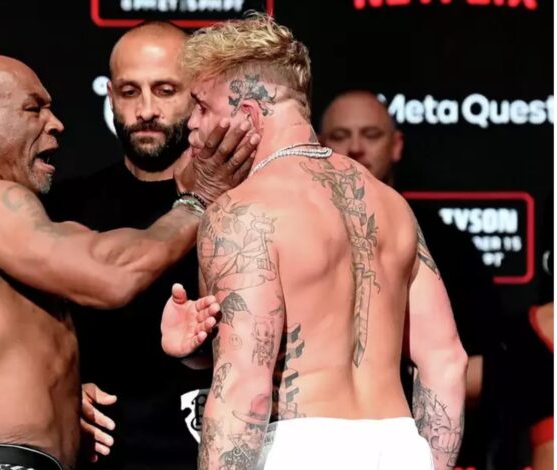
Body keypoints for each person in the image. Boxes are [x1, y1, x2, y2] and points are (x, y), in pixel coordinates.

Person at [0, 54, 257, 470]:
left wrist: (60, 399)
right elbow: (111, 275)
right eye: (33, 108)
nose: (55, 122)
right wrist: (197, 201)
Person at [171, 14, 467, 469]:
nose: (190, 125)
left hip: (302, 449)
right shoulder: (390, 205)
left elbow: (243, 389)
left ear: (247, 116)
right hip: (402, 446)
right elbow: (445, 361)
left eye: (202, 108)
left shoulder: (244, 211)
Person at [46, 21, 217, 469]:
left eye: (164, 90)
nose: (145, 110)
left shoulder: (241, 202)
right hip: (100, 454)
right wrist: (61, 391)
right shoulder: (64, 205)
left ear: (198, 93)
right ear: (109, 96)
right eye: (129, 91)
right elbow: (24, 333)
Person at [319, 89, 503, 467]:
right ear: (319, 145)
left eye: (371, 135)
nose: (355, 147)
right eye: (339, 136)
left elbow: (482, 365)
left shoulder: (446, 245)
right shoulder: (290, 231)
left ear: (396, 144)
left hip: (410, 442)